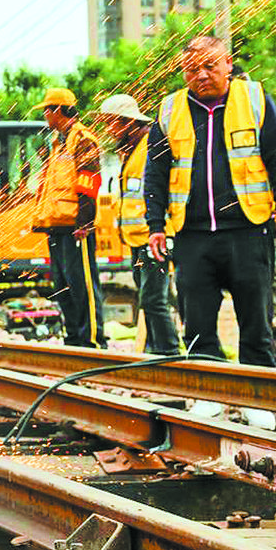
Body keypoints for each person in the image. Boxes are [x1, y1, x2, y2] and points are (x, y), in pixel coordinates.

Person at [145, 36, 276, 367]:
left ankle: (257, 392)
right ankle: (209, 390)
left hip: (248, 231)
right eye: (191, 69)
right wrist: (155, 225)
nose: (201, 75)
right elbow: (155, 173)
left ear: (228, 64)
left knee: (257, 329)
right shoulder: (170, 110)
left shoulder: (254, 99)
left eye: (209, 66)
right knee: (197, 331)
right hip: (192, 236)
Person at [97, 94, 179, 355]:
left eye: (111, 124)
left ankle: (169, 353)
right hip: (137, 238)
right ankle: (156, 351)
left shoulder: (150, 148)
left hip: (153, 237)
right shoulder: (132, 151)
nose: (109, 131)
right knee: (149, 299)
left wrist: (159, 229)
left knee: (153, 300)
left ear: (128, 123)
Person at [32, 88, 108, 349]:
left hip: (76, 225)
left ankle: (93, 340)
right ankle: (75, 339)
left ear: (59, 111)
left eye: (47, 109)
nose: (45, 114)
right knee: (63, 285)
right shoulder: (57, 143)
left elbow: (89, 182)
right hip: (57, 225)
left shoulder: (83, 139)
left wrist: (84, 222)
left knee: (82, 284)